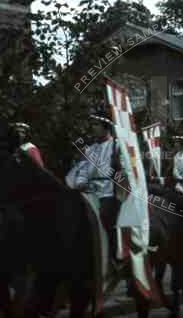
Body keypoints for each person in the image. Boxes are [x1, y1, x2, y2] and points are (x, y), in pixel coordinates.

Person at [73, 113, 122, 266]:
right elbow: (82, 171)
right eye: (92, 125)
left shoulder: (117, 145)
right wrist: (80, 182)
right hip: (89, 191)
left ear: (106, 127)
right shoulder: (90, 149)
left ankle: (115, 255)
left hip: (109, 191)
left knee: (105, 216)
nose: (92, 128)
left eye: (96, 125)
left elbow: (125, 171)